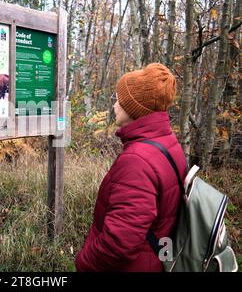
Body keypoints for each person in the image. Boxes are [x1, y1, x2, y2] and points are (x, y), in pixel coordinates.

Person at [75, 63, 187, 272]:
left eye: (119, 99)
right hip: (155, 258)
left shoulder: (137, 161)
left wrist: (83, 263)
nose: (114, 105)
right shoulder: (168, 142)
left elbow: (118, 243)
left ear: (134, 107)